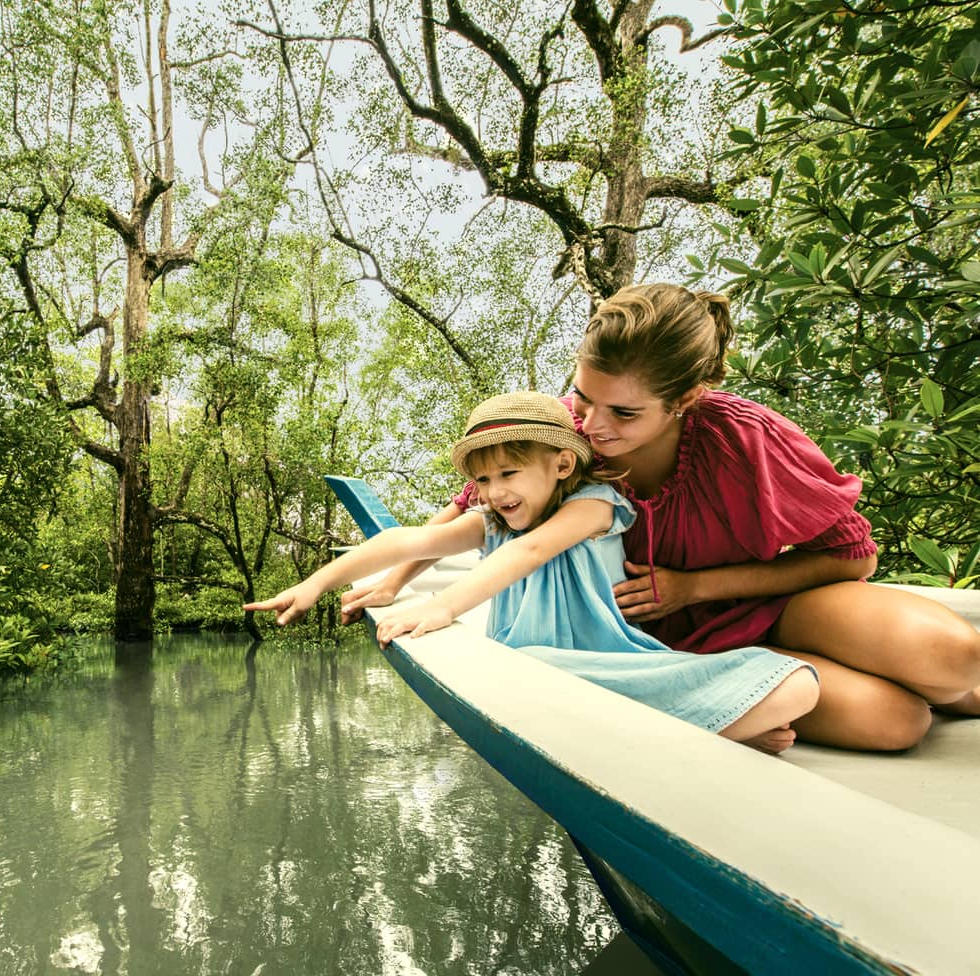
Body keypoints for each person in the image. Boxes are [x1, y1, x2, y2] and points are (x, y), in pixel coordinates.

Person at [345, 284, 980, 752]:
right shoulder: (563, 434)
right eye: (585, 398)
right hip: (659, 649)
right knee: (898, 725)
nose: (591, 426)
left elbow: (854, 557)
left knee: (957, 657)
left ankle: (944, 687)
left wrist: (696, 587)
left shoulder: (746, 440)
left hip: (770, 604)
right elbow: (473, 506)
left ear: (686, 400)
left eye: (623, 414)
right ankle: (809, 679)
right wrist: (400, 577)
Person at [245, 392, 820, 754]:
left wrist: (441, 607)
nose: (494, 493)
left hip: (604, 662)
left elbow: (532, 552)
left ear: (562, 463)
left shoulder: (596, 506)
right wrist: (315, 582)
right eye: (485, 481)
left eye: (509, 473)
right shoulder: (497, 520)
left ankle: (711, 726)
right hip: (534, 671)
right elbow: (411, 538)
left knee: (796, 682)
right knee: (517, 679)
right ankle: (718, 730)